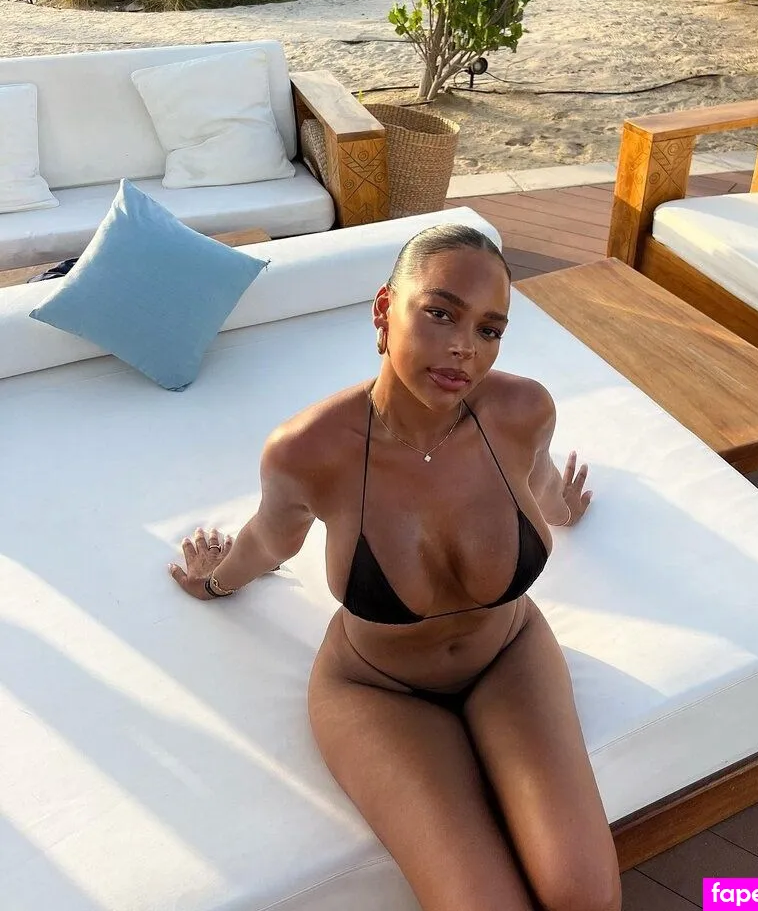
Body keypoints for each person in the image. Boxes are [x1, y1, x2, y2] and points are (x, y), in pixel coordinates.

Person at [169, 225, 622, 911]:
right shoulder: (309, 450)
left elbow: (542, 483)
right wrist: (214, 581)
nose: (466, 347)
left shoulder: (522, 410)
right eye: (440, 313)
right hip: (377, 689)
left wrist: (565, 510)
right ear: (384, 310)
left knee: (585, 896)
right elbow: (269, 542)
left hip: (510, 655)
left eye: (490, 329)